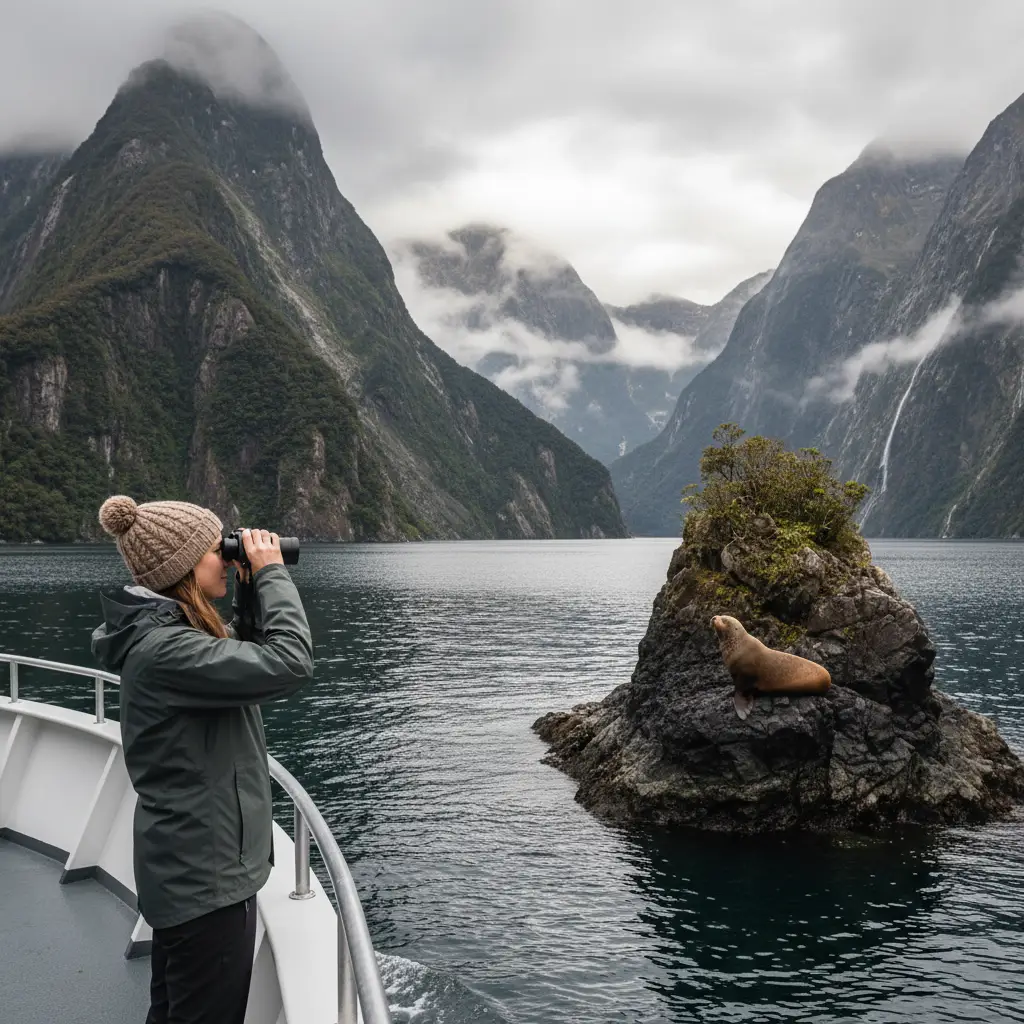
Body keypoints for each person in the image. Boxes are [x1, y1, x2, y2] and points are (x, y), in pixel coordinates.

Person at [91, 495, 313, 1024]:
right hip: (206, 884)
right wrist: (274, 574)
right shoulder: (169, 650)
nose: (228, 554)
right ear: (187, 566)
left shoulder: (167, 639)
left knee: (173, 1011)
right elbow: (289, 662)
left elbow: (246, 665)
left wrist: (248, 589)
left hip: (190, 871)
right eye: (218, 549)